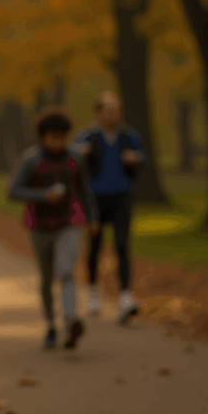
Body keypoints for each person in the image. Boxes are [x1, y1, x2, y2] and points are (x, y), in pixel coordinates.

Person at [8, 109, 100, 350]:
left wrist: (92, 218)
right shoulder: (30, 159)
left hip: (69, 222)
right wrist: (42, 195)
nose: (57, 142)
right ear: (43, 136)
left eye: (62, 137)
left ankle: (70, 321)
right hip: (39, 226)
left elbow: (85, 190)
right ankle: (50, 324)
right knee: (47, 278)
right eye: (53, 137)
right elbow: (13, 191)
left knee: (66, 270)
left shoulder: (75, 158)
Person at [73, 91, 145, 325]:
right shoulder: (86, 135)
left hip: (122, 196)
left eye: (117, 110)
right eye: (109, 110)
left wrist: (135, 158)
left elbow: (142, 156)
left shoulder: (128, 135)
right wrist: (80, 154)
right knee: (95, 246)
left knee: (122, 245)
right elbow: (71, 157)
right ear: (98, 112)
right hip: (94, 198)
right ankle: (93, 291)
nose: (114, 114)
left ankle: (125, 295)